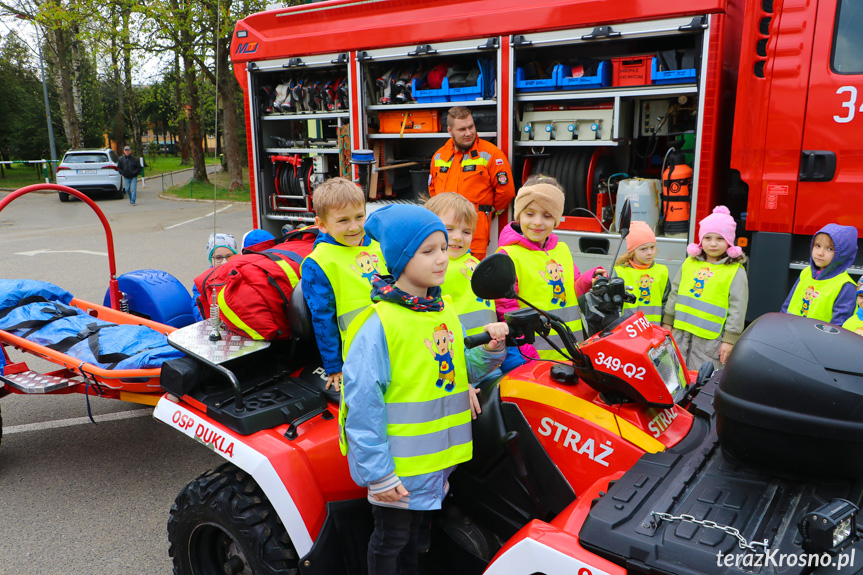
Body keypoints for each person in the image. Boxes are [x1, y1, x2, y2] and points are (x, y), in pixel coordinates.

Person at [340, 204, 507, 575]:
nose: (443, 259)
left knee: (416, 540)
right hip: (399, 471)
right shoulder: (380, 324)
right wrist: (379, 474)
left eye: (444, 248)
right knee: (391, 543)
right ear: (401, 259)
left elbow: (455, 372)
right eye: (428, 251)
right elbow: (362, 405)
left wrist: (491, 354)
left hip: (436, 464)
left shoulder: (440, 310)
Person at [495, 175, 605, 361]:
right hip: (534, 356)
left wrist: (588, 279)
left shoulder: (562, 249)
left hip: (570, 350)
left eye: (547, 215)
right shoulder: (508, 255)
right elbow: (505, 309)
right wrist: (526, 349)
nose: (538, 222)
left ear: (556, 219)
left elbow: (572, 290)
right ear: (518, 215)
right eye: (529, 214)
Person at [302, 177, 386, 391]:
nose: (354, 227)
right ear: (322, 225)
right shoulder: (318, 262)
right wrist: (333, 366)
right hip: (359, 353)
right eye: (343, 221)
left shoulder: (378, 246)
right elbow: (322, 318)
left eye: (359, 217)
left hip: (393, 341)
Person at [661, 206, 748, 370]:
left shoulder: (735, 272)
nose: (713, 244)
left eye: (720, 239)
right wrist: (668, 321)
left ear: (729, 242)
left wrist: (729, 340)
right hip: (681, 332)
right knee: (675, 373)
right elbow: (675, 292)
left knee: (702, 380)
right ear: (701, 240)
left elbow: (738, 309)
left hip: (710, 341)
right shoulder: (690, 263)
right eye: (708, 238)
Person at [428, 106, 515, 260]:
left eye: (471, 127)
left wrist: (487, 213)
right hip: (442, 232)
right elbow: (433, 190)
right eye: (462, 129)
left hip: (474, 231)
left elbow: (506, 193)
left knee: (472, 274)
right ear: (450, 130)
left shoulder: (491, 154)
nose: (469, 133)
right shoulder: (439, 155)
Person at [781, 223, 858, 325]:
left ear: (843, 254)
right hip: (792, 332)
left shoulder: (845, 286)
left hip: (819, 339)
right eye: (817, 245)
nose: (820, 253)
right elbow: (787, 305)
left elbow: (839, 326)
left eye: (830, 248)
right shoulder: (806, 272)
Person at [612, 220, 670, 324]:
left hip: (653, 330)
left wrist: (666, 323)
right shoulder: (620, 272)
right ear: (632, 251)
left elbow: (666, 302)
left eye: (652, 247)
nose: (650, 252)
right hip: (627, 331)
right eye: (643, 249)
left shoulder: (662, 272)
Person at [191, 232, 238, 322]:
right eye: (218, 258)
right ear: (210, 259)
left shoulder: (240, 275)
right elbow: (198, 309)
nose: (224, 262)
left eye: (229, 256)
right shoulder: (202, 282)